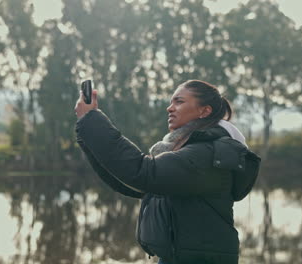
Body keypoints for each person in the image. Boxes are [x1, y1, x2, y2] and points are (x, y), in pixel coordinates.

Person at [74, 80, 261, 264]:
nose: (169, 108)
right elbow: (133, 184)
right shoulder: (185, 151)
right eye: (171, 102)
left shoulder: (205, 155)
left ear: (205, 111)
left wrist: (91, 120)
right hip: (178, 256)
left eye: (179, 101)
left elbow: (142, 172)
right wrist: (88, 136)